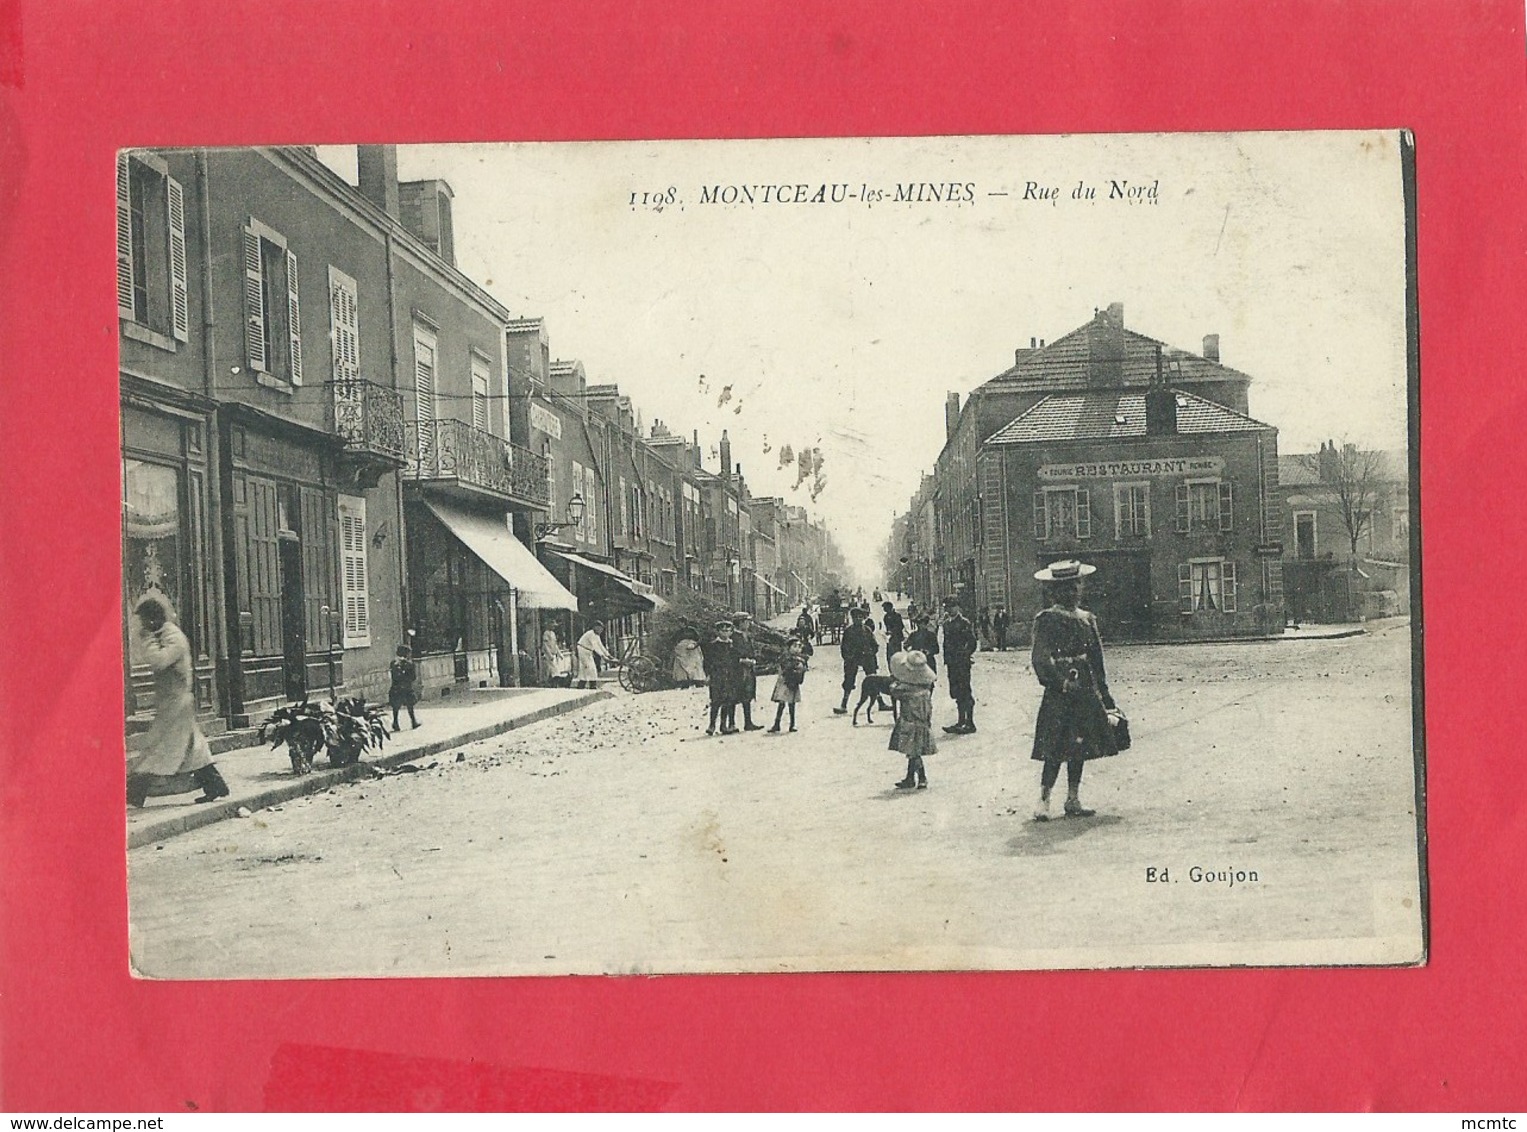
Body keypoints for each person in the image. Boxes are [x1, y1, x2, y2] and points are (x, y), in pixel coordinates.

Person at [1029, 560, 1119, 821]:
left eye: (1076, 586)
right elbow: (1040, 658)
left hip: (1085, 691)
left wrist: (1105, 696)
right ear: (1055, 592)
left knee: (1079, 745)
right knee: (1055, 745)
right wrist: (1060, 682)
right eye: (1066, 588)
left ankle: (1073, 798)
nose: (1073, 591)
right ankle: (1044, 799)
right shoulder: (1046, 619)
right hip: (1061, 692)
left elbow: (1097, 660)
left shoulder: (1087, 619)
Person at [126, 597, 229, 807]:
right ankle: (215, 786)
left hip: (176, 705)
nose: (143, 625)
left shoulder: (173, 637)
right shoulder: (164, 635)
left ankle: (133, 794)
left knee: (156, 749)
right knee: (193, 751)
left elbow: (159, 661)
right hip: (171, 704)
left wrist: (148, 640)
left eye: (145, 620)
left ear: (154, 619)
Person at [888, 649, 937, 789]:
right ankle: (910, 777)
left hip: (910, 722)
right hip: (922, 723)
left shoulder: (906, 690)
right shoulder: (925, 689)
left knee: (913, 752)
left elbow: (894, 690)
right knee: (913, 751)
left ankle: (922, 777)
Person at [834, 605, 880, 715]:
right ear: (852, 619)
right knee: (849, 680)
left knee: (873, 679)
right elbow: (844, 647)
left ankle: (881, 703)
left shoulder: (867, 630)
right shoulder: (848, 631)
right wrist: (849, 657)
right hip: (853, 658)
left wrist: (870, 654)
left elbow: (875, 645)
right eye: (856, 617)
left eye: (860, 617)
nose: (858, 619)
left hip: (866, 657)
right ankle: (843, 705)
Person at [701, 619, 743, 734]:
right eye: (722, 631)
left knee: (729, 700)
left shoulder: (733, 645)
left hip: (730, 677)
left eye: (728, 631)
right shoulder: (713, 646)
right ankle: (712, 725)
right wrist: (708, 675)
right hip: (717, 677)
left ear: (731, 632)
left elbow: (737, 661)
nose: (725, 633)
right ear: (718, 632)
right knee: (716, 701)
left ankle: (725, 725)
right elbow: (707, 662)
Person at [942, 606, 979, 734]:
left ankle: (970, 723)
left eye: (951, 606)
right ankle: (960, 721)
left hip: (962, 663)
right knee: (956, 692)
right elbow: (946, 644)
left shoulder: (964, 623)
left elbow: (972, 642)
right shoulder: (946, 624)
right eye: (947, 607)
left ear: (957, 607)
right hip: (952, 664)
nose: (949, 609)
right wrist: (946, 660)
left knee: (965, 691)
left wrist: (965, 654)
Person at [768, 636, 808, 732]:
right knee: (782, 702)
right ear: (789, 647)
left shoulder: (801, 659)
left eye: (799, 647)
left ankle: (792, 724)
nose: (797, 649)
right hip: (785, 682)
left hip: (794, 682)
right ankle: (777, 723)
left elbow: (804, 669)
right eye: (794, 646)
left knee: (792, 703)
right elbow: (785, 668)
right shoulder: (785, 657)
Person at [732, 611, 764, 731]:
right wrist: (743, 660)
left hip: (748, 669)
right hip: (738, 669)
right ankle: (731, 723)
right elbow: (733, 653)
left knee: (747, 694)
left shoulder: (746, 635)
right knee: (734, 696)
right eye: (746, 621)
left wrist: (753, 658)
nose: (748, 624)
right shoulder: (734, 636)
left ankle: (748, 722)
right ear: (739, 623)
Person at [388, 645, 420, 731]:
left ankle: (412, 722)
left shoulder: (395, 663)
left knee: (403, 706)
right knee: (402, 706)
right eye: (408, 653)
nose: (409, 655)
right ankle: (398, 723)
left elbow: (412, 677)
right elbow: (412, 677)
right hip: (402, 688)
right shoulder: (405, 664)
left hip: (399, 688)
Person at [575, 621, 612, 689]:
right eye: (600, 628)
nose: (601, 631)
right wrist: (603, 656)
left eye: (602, 629)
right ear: (595, 627)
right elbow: (596, 647)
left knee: (587, 669)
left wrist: (608, 655)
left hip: (588, 652)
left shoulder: (596, 635)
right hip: (583, 650)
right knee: (589, 667)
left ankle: (582, 685)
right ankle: (591, 685)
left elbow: (600, 646)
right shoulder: (591, 634)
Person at [881, 600, 905, 667]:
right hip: (890, 639)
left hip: (897, 638)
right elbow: (887, 627)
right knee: (889, 656)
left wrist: (892, 631)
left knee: (897, 656)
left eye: (885, 608)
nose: (884, 609)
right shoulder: (885, 617)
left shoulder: (897, 615)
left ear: (889, 608)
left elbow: (901, 626)